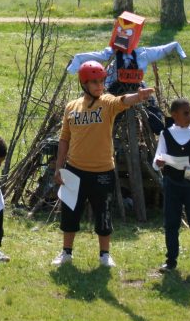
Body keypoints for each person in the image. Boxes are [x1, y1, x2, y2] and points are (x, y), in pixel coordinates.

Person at [51, 60, 154, 267]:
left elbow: (122, 100)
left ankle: (105, 255)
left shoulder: (107, 102)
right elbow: (64, 139)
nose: (99, 85)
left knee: (103, 214)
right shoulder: (71, 107)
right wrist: (59, 167)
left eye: (101, 81)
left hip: (102, 172)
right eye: (94, 82)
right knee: (70, 213)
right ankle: (66, 253)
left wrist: (138, 97)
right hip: (74, 171)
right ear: (84, 83)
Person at [153, 98, 190, 273]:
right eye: (186, 113)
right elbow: (157, 158)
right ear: (174, 115)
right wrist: (160, 161)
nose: (189, 116)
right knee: (171, 223)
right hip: (172, 184)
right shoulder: (166, 134)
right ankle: (171, 260)